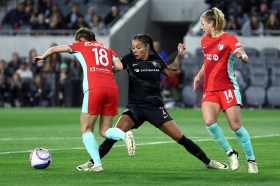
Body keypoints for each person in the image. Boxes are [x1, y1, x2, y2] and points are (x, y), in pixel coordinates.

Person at [77, 33, 229, 171]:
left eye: (138, 47)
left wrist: (180, 56)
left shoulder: (155, 60)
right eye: (133, 47)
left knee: (181, 138)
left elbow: (170, 72)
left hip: (155, 108)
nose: (135, 50)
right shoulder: (128, 59)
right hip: (134, 109)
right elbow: (112, 69)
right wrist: (97, 69)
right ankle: (92, 162)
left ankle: (209, 162)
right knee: (111, 137)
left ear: (146, 47)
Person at [33, 27, 135, 172]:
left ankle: (98, 164)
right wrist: (104, 70)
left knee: (86, 129)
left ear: (81, 39)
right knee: (105, 130)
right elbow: (119, 66)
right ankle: (124, 135)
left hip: (94, 88)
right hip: (112, 88)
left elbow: (55, 48)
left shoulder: (80, 45)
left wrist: (43, 57)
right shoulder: (107, 48)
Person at [193, 7, 258, 173]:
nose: (201, 27)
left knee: (235, 126)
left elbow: (241, 53)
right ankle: (230, 152)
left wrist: (242, 57)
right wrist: (199, 76)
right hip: (210, 90)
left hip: (227, 87)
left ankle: (251, 160)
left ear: (211, 23)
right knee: (209, 122)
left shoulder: (229, 39)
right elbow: (207, 62)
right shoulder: (204, 41)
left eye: (202, 24)